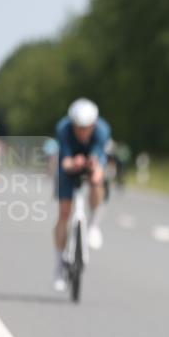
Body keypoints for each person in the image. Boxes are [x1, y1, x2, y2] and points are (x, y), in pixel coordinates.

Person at [52, 98, 111, 292]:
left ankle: (94, 225)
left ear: (93, 124)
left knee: (97, 180)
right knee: (64, 213)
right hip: (69, 165)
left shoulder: (102, 130)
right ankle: (59, 265)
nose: (82, 131)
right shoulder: (63, 129)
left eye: (86, 128)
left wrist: (92, 166)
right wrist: (73, 163)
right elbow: (65, 162)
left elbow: (99, 161)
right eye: (78, 127)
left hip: (92, 162)